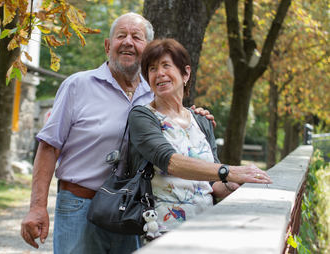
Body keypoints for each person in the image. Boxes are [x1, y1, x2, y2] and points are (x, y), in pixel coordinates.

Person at [20, 13, 215, 254]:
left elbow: (178, 126)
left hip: (134, 209)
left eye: (137, 37)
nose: (128, 42)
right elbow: (49, 146)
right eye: (120, 36)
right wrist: (37, 206)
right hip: (81, 205)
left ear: (148, 49)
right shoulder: (78, 85)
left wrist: (195, 116)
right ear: (107, 45)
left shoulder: (156, 91)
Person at [128, 38, 273, 235]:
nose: (159, 73)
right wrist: (230, 171)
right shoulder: (142, 116)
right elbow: (170, 162)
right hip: (165, 231)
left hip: (207, 228)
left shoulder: (201, 120)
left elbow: (213, 184)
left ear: (186, 73)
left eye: (166, 66)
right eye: (152, 69)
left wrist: (234, 184)